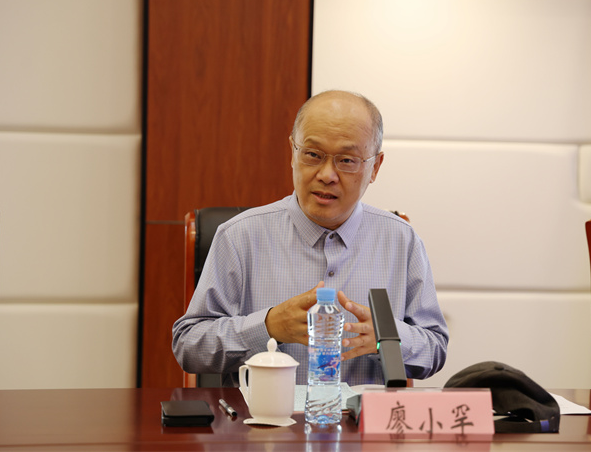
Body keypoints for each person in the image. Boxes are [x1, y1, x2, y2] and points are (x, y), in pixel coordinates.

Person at [172, 90, 449, 386]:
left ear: (375, 167)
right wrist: (267, 327)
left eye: (347, 160)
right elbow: (190, 346)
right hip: (267, 415)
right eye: (313, 155)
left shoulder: (401, 241)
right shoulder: (239, 236)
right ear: (293, 153)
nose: (327, 175)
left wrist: (388, 338)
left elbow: (435, 349)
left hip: (365, 416)